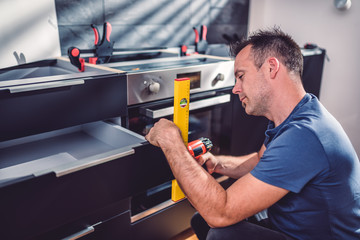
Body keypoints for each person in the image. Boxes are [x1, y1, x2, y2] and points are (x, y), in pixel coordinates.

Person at [145, 27, 360, 240]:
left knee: (222, 232)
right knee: (201, 221)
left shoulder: (305, 134)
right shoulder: (294, 114)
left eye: (240, 76)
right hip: (288, 225)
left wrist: (172, 141)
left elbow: (220, 213)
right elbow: (260, 160)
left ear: (271, 67)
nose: (235, 88)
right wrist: (218, 163)